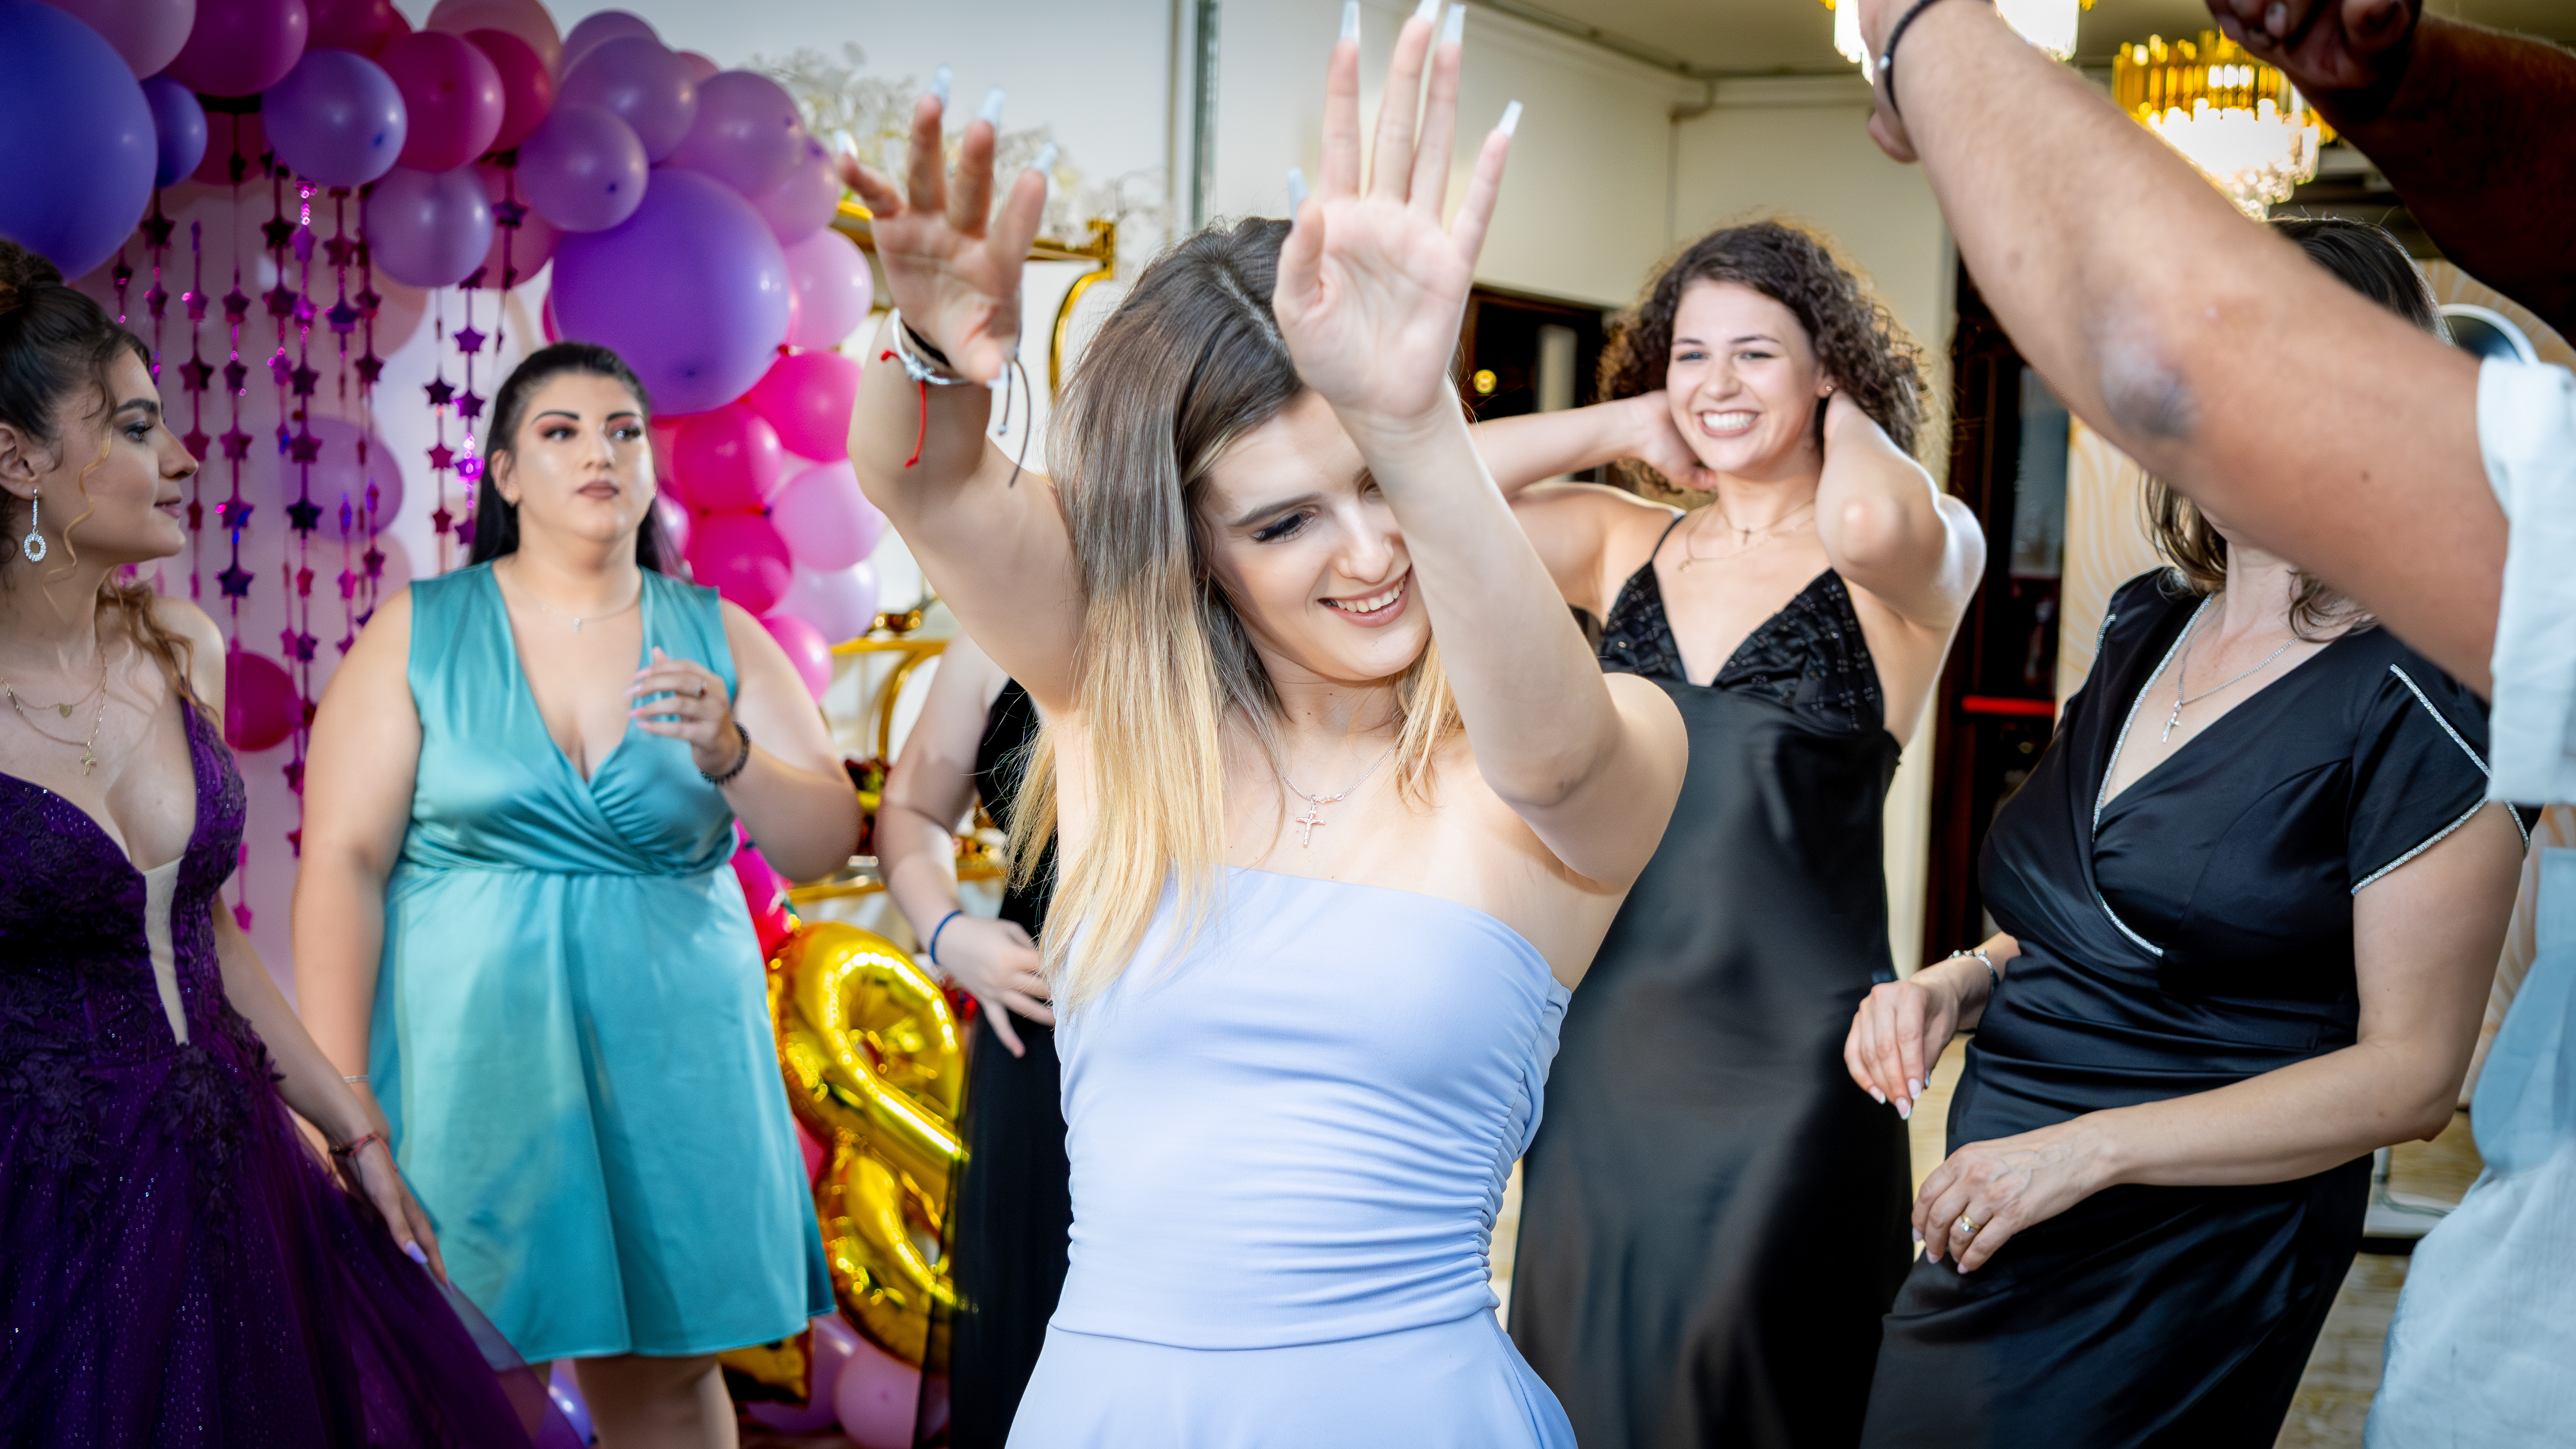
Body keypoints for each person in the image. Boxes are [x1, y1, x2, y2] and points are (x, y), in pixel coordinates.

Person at [835, 5, 1690, 1443]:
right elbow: (931, 485)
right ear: (1197, 553)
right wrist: (924, 344)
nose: (1369, 554)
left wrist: (1415, 428)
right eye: (1285, 521)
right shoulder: (1113, 717)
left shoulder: (1592, 746)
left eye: (1385, 485)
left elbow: (1558, 762)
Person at [1841, 218, 2531, 1446]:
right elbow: (2088, 920)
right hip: (1995, 1199)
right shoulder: (2144, 624)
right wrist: (1959, 984)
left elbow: (2414, 1075)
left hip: (2187, 1246)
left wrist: (2086, 1155)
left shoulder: (2426, 687)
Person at [0, 241, 549, 1445]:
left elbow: (212, 942)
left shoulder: (179, 647)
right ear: (18, 459)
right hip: (43, 1208)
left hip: (236, 1173)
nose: (182, 457)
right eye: (135, 427)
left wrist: (356, 1134)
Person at [1468, 220, 1982, 1449]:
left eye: (1757, 353)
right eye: (1691, 354)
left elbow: (1868, 521)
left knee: (1747, 1377)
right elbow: (1417, 493)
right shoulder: (1623, 540)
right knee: (1594, 1379)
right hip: (1607, 1048)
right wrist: (1627, 423)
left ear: (1828, 369)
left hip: (1799, 1062)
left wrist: (1846, 415)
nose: (1718, 383)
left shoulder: (1909, 556)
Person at [293, 342, 859, 1449]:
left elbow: (824, 844)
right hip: (470, 1069)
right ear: (504, 473)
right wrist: (342, 1095)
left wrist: (734, 755)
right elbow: (343, 862)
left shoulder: (719, 633)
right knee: (469, 1382)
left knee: (667, 1384)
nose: (600, 450)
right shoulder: (419, 629)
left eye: (623, 430)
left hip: (676, 1063)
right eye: (561, 431)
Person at [875, 633, 1065, 1448]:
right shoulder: (991, 631)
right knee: (1037, 1325)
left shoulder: (1244, 585)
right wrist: (950, 933)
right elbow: (912, 811)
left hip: (1213, 1034)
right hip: (1043, 1028)